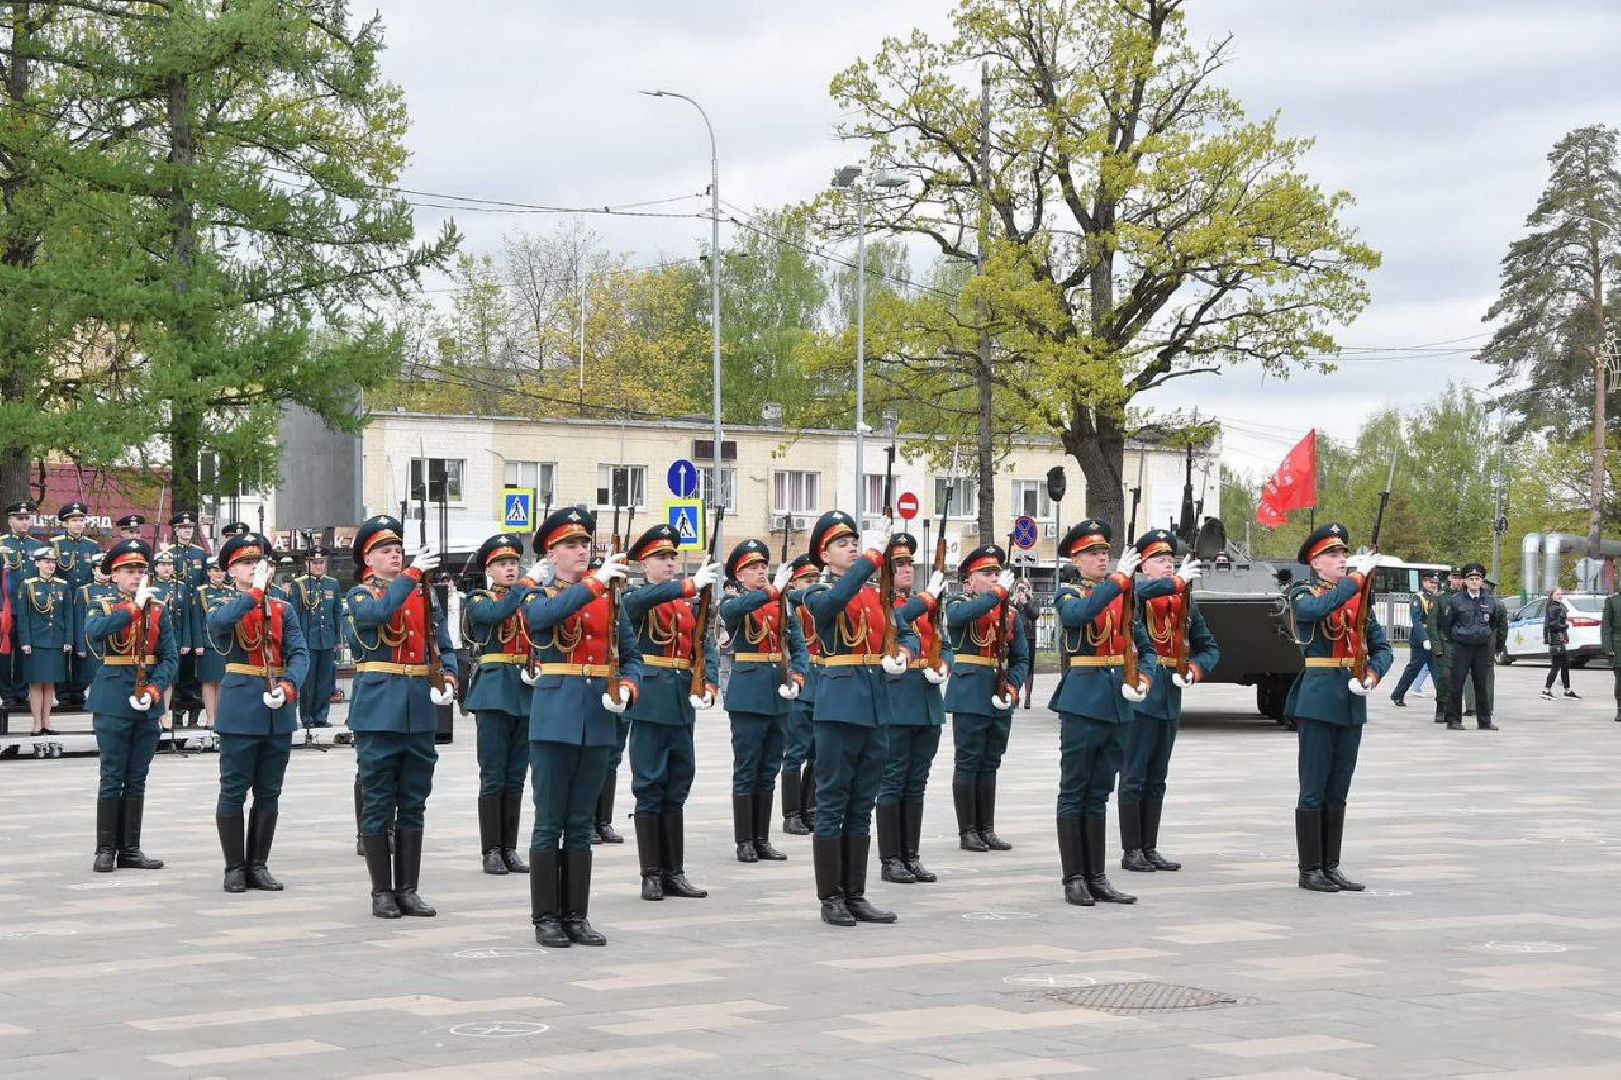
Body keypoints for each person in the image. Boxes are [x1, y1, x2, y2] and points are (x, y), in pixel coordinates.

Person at [522, 506, 642, 948]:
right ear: (551, 553)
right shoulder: (535, 592)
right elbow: (541, 620)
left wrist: (628, 686)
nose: (581, 551)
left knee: (579, 823)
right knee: (548, 821)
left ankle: (576, 915)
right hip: (555, 719)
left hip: (598, 718)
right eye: (571, 545)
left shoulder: (609, 597)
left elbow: (630, 653)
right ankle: (546, 918)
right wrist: (594, 583)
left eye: (585, 544)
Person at [1049, 519, 1174, 907]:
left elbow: (1147, 647)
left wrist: (1145, 679)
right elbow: (1078, 616)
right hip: (1083, 702)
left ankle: (1097, 876)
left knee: (1099, 793)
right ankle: (1074, 877)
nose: (1101, 557)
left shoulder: (1122, 595)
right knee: (1075, 791)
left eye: (1104, 552)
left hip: (1118, 703)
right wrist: (1118, 581)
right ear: (1076, 559)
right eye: (1093, 553)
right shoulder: (1067, 592)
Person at [802, 511, 915, 927]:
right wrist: (870, 556)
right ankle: (831, 896)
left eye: (855, 542)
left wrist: (904, 654)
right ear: (824, 554)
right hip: (839, 705)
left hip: (876, 706)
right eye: (842, 544)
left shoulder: (875, 594)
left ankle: (856, 893)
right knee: (833, 802)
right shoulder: (817, 591)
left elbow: (906, 632)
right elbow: (833, 604)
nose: (851, 548)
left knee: (862, 804)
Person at [344, 516, 458, 919]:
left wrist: (448, 676)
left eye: (399, 550)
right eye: (386, 551)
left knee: (414, 801)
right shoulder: (360, 594)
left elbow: (444, 644)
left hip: (418, 710)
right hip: (378, 711)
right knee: (378, 802)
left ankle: (407, 888)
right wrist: (409, 576)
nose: (395, 555)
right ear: (368, 559)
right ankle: (381, 891)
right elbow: (378, 614)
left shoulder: (422, 593)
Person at [1284, 523, 1393, 893]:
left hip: (1350, 701)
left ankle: (1331, 866)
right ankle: (1309, 868)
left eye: (1343, 554)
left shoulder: (1356, 598)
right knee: (1313, 786)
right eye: (1333, 555)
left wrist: (1373, 675)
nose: (1341, 560)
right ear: (1315, 563)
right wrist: (1356, 582)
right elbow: (1315, 610)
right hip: (1318, 698)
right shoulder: (1302, 591)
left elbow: (1382, 646)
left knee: (1339, 788)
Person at [206, 532, 310, 894]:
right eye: (247, 563)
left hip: (277, 707)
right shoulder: (221, 601)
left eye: (259, 562)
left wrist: (289, 686)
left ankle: (259, 864)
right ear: (231, 569)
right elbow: (219, 628)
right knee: (233, 788)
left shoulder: (283, 607)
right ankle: (234, 866)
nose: (254, 568)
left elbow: (299, 652)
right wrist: (254, 594)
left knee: (270, 790)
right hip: (240, 706)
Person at [622, 523, 720, 901]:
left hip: (681, 703)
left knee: (678, 786)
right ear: (643, 565)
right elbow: (639, 605)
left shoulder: (685, 605)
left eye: (672, 557)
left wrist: (708, 683)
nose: (669, 563)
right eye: (661, 558)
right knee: (649, 787)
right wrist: (688, 586)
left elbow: (702, 647)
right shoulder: (634, 598)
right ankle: (651, 873)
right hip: (649, 703)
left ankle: (674, 872)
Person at [1119, 529, 1213, 874]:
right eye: (1159, 561)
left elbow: (1208, 646)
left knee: (1157, 776)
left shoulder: (1184, 601)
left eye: (1171, 561)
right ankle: (1131, 850)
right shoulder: (1137, 593)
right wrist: (1173, 584)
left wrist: (1195, 669)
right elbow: (1139, 591)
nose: (1168, 566)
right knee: (1134, 774)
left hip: (1170, 697)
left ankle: (1149, 847)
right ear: (1142, 566)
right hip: (1142, 696)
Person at [84, 539, 177, 873]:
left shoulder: (158, 608)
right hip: (112, 699)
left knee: (137, 777)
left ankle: (131, 849)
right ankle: (105, 849)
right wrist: (132, 609)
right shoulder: (102, 604)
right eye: (128, 571)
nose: (135, 577)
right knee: (112, 775)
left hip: (146, 703)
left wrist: (154, 690)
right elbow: (94, 632)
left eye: (140, 571)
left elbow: (169, 656)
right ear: (114, 575)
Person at [719, 538, 808, 864]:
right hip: (748, 696)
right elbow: (731, 613)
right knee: (747, 768)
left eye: (762, 567)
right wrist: (772, 592)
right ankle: (744, 840)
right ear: (738, 576)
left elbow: (799, 648)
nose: (760, 572)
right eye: (752, 568)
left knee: (768, 768)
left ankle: (762, 838)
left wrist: (797, 678)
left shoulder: (781, 604)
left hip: (778, 695)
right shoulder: (734, 601)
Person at [462, 534, 542, 876]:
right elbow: (497, 612)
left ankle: (509, 847)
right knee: (493, 775)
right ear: (489, 569)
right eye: (502, 564)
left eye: (514, 563)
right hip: (494, 691)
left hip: (526, 690)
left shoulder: (528, 598)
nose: (510, 569)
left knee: (516, 777)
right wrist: (526, 585)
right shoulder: (478, 598)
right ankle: (491, 849)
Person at [944, 543, 1029, 854]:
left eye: (996, 572)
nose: (994, 577)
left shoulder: (1010, 614)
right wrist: (996, 596)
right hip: (969, 694)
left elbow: (1021, 658)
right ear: (969, 581)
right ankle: (967, 830)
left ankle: (986, 828)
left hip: (998, 692)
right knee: (968, 761)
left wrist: (1012, 688)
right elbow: (961, 615)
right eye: (986, 573)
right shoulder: (958, 603)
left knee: (990, 762)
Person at [877, 533, 948, 884]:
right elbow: (897, 618)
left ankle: (911, 855)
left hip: (926, 703)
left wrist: (942, 666)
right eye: (899, 564)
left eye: (909, 563)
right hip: (896, 703)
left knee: (916, 783)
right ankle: (890, 858)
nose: (907, 568)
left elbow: (942, 643)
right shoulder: (883, 602)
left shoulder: (926, 605)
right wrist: (928, 597)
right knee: (892, 782)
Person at [779, 554, 822, 836]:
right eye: (808, 580)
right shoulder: (790, 607)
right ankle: (791, 814)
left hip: (824, 684)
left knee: (819, 753)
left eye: (816, 580)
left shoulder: (820, 605)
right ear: (793, 583)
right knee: (795, 753)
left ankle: (811, 809)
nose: (814, 586)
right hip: (801, 684)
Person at [1440, 562, 1502, 731]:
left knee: (1481, 684)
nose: (1474, 581)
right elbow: (1446, 624)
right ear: (1465, 581)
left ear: (1482, 581)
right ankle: (1454, 720)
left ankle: (1484, 721)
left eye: (1478, 578)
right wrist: (1457, 636)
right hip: (1462, 646)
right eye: (1471, 578)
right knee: (1457, 683)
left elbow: (1494, 622)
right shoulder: (1455, 601)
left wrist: (1485, 634)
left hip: (1481, 646)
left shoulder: (1490, 601)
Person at [50, 502, 100, 710]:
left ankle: (78, 689)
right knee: (62, 645)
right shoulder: (56, 544)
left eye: (81, 520)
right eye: (74, 521)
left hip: (84, 602)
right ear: (65, 523)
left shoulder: (92, 546)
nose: (78, 524)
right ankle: (62, 691)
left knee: (82, 645)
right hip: (62, 601)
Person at [17, 547, 71, 736]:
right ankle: (36, 723)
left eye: (53, 562)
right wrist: (25, 640)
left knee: (50, 683)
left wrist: (68, 639)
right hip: (36, 640)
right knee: (35, 682)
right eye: (46, 562)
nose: (50, 565)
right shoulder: (28, 585)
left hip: (55, 639)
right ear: (37, 563)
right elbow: (23, 616)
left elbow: (67, 615)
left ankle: (47, 721)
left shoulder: (62, 585)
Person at [289, 550, 343, 728]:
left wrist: (337, 638)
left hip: (326, 638)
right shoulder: (300, 584)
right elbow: (295, 613)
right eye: (314, 563)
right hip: (308, 638)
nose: (318, 566)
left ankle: (321, 716)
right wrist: (297, 640)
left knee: (325, 680)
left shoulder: (332, 583)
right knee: (308, 681)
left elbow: (337, 612)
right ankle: (307, 718)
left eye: (321, 563)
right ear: (307, 564)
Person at [1, 499, 43, 710]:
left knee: (24, 652)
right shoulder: (2, 545)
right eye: (20, 518)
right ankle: (6, 692)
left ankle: (21, 690)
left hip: (29, 608)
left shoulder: (37, 546)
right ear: (10, 521)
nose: (25, 522)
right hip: (6, 609)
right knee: (5, 653)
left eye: (27, 518)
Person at [71, 555, 117, 717]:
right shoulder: (84, 591)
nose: (105, 572)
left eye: (108, 568)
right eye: (100, 568)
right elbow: (78, 620)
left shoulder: (118, 589)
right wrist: (80, 646)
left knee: (113, 680)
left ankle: (112, 714)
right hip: (92, 644)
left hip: (114, 642)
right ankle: (97, 717)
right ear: (93, 570)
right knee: (95, 680)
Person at [191, 563, 233, 729]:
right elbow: (196, 619)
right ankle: (210, 718)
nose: (219, 574)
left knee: (223, 681)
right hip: (208, 642)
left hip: (226, 643)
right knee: (208, 682)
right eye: (215, 571)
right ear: (208, 572)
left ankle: (221, 717)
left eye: (221, 571)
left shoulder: (230, 592)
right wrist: (198, 643)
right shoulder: (201, 592)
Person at [1389, 571, 1439, 707]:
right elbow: (1416, 620)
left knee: (1437, 670)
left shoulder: (1437, 597)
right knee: (1413, 669)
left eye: (1435, 582)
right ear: (1424, 582)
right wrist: (1424, 639)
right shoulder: (1418, 597)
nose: (1433, 585)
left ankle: (1442, 697)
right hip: (1420, 640)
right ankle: (1398, 694)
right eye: (1430, 582)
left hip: (1435, 639)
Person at [1542, 587, 1580, 700]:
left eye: (1561, 594)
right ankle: (1546, 690)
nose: (1560, 596)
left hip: (1560, 639)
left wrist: (1564, 633)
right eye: (1557, 594)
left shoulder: (1560, 606)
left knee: (1564, 665)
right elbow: (1553, 625)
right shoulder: (1552, 608)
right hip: (1556, 640)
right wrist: (1566, 626)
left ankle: (1567, 690)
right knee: (1556, 666)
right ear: (1552, 595)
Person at [1013, 579, 1039, 709]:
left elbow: (1035, 615)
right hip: (1015, 638)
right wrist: (1015, 602)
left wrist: (1026, 603)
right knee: (1015, 666)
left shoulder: (1032, 601)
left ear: (1029, 589)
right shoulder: (1013, 601)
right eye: (1019, 588)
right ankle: (1015, 694)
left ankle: (1028, 696)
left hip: (1029, 637)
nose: (1022, 591)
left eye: (1024, 588)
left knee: (1029, 668)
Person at [1603, 582, 1621, 722]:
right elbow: (1606, 626)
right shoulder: (1612, 601)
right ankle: (1620, 710)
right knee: (1620, 680)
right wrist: (1608, 647)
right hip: (1618, 643)